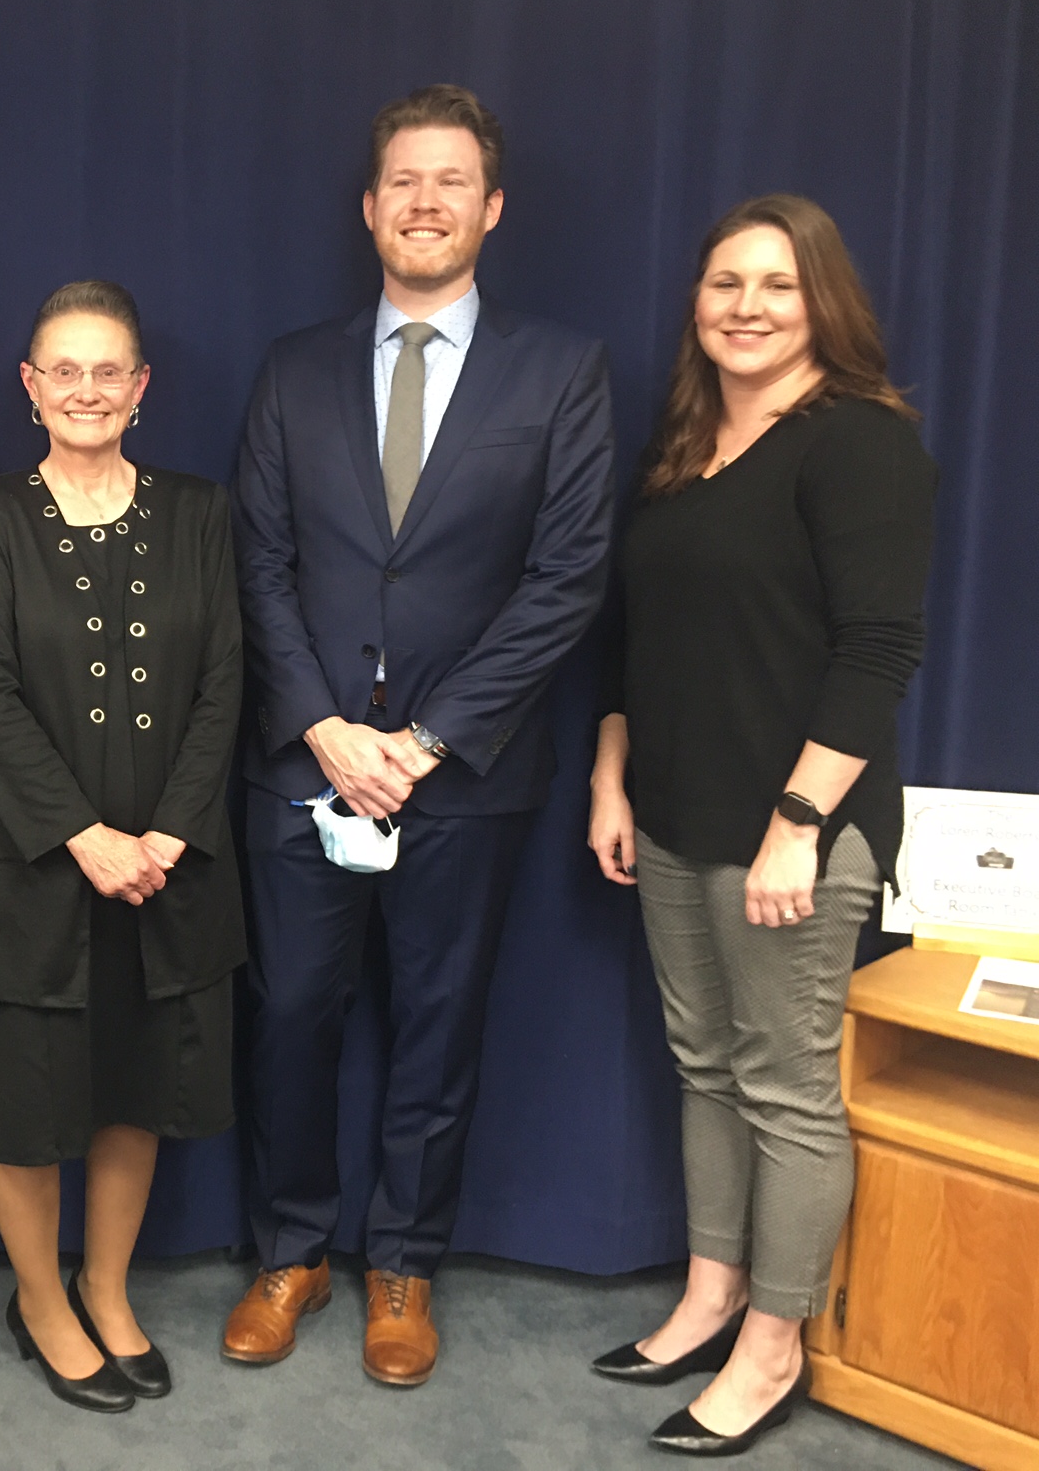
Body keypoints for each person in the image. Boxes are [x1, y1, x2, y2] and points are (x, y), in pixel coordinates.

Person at [226, 84, 616, 1386]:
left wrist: (428, 740)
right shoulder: (293, 369)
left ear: (492, 209)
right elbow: (260, 566)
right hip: (304, 770)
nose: (426, 202)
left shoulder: (562, 372)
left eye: (452, 181)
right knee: (289, 1021)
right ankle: (292, 1251)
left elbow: (566, 581)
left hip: (468, 780)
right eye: (404, 180)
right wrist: (331, 731)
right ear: (369, 207)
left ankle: (405, 1266)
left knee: (438, 1032)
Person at [586, 195, 935, 1457]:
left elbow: (881, 647)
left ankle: (774, 1344)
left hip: (794, 832)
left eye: (778, 286)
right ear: (696, 302)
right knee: (706, 1069)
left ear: (823, 304)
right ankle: (709, 1293)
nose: (747, 306)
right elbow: (635, 637)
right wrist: (610, 775)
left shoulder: (857, 445)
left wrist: (798, 822)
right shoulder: (684, 451)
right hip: (673, 815)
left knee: (786, 1091)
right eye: (726, 282)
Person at [0, 281, 244, 1414]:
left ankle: (108, 1288)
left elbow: (224, 682)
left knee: (133, 1086)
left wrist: (165, 832)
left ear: (140, 388)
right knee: (28, 1099)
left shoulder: (199, 512)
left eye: (107, 370)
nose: (86, 390)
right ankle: (39, 1301)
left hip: (170, 868)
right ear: (30, 389)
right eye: (62, 371)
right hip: (32, 869)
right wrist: (84, 836)